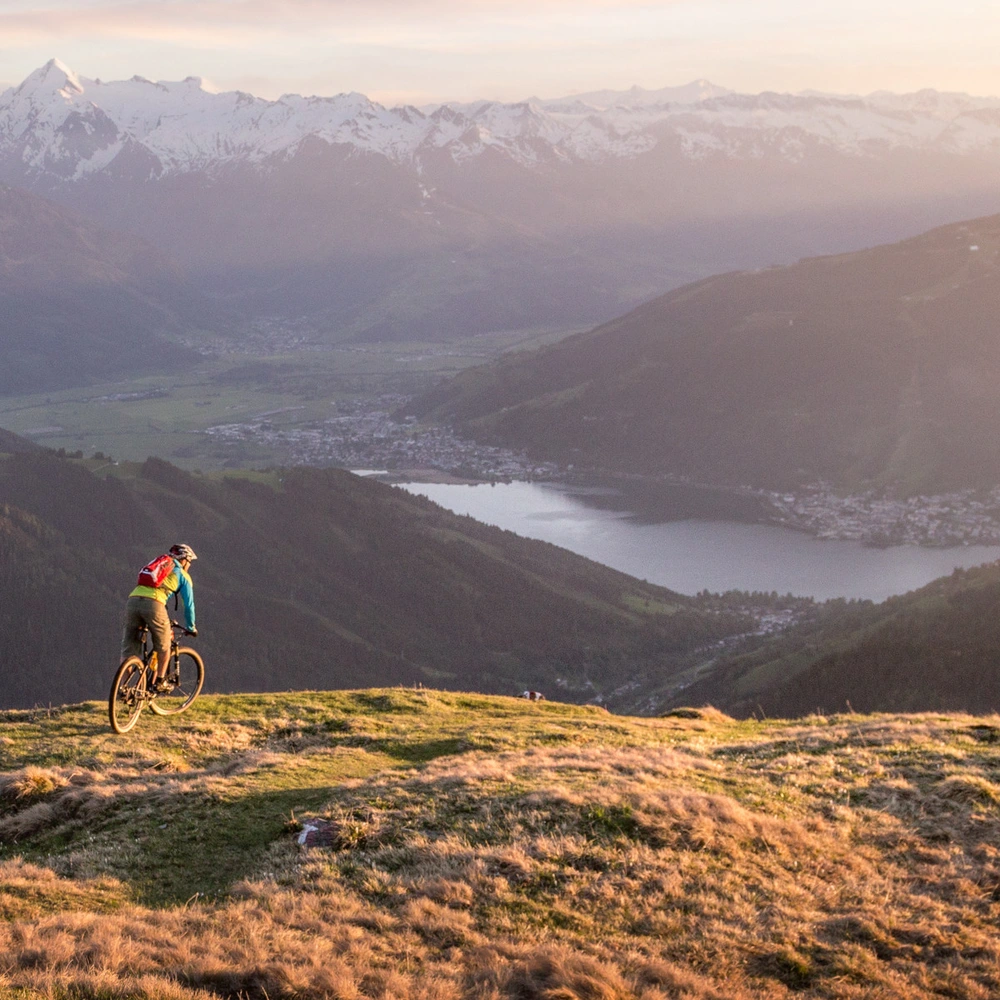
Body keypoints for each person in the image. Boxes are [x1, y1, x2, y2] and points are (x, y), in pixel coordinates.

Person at [120, 543, 198, 691]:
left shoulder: (158, 565)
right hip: (154, 604)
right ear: (184, 560)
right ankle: (161, 681)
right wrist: (191, 627)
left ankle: (123, 687)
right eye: (189, 562)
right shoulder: (182, 575)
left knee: (128, 650)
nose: (189, 565)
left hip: (133, 600)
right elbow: (188, 605)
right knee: (164, 646)